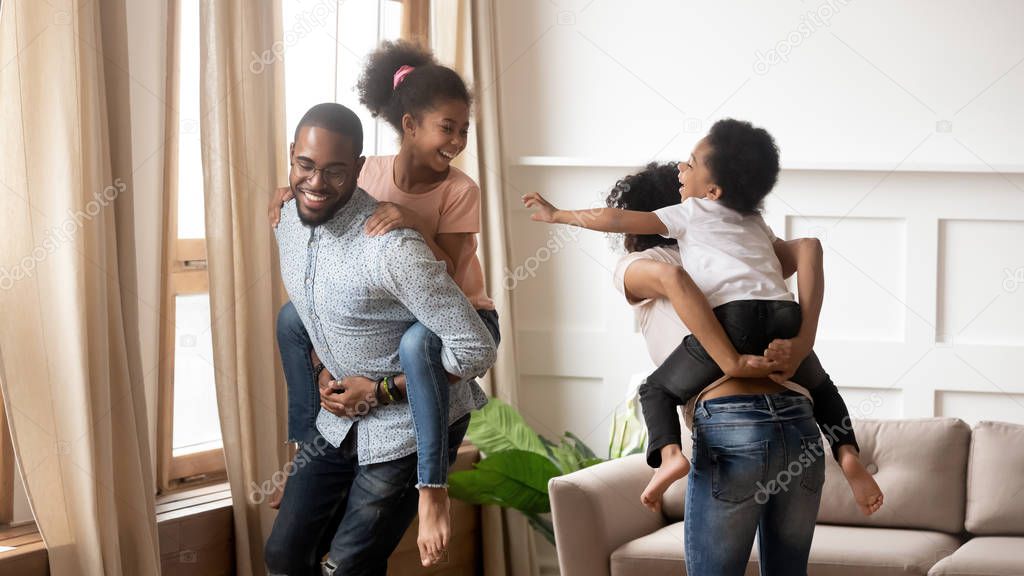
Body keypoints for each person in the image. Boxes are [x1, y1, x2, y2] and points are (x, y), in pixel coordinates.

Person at [268, 41, 497, 566]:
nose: (459, 140)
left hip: (459, 310)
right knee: (291, 318)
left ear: (356, 165)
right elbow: (325, 213)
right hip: (362, 381)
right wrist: (327, 370)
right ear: (410, 124)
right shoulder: (353, 187)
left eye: (464, 129)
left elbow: (454, 276)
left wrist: (412, 225)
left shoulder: (454, 195)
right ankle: (304, 448)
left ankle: (432, 486)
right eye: (449, 127)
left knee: (420, 342)